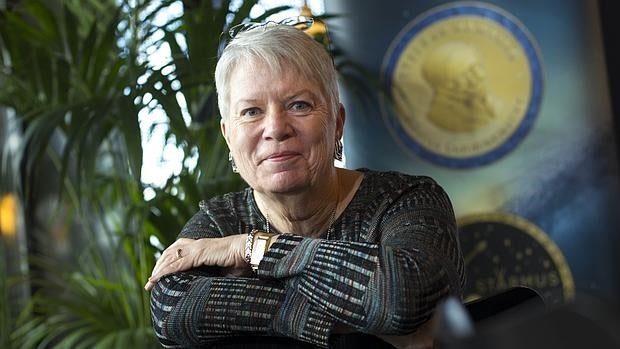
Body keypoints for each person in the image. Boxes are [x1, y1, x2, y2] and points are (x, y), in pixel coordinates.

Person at [144, 17, 465, 349]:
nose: (276, 128)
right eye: (252, 112)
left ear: (337, 123)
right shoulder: (219, 221)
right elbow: (171, 308)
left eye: (299, 105)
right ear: (228, 135)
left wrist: (250, 248)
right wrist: (351, 327)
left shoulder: (407, 199)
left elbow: (404, 295)